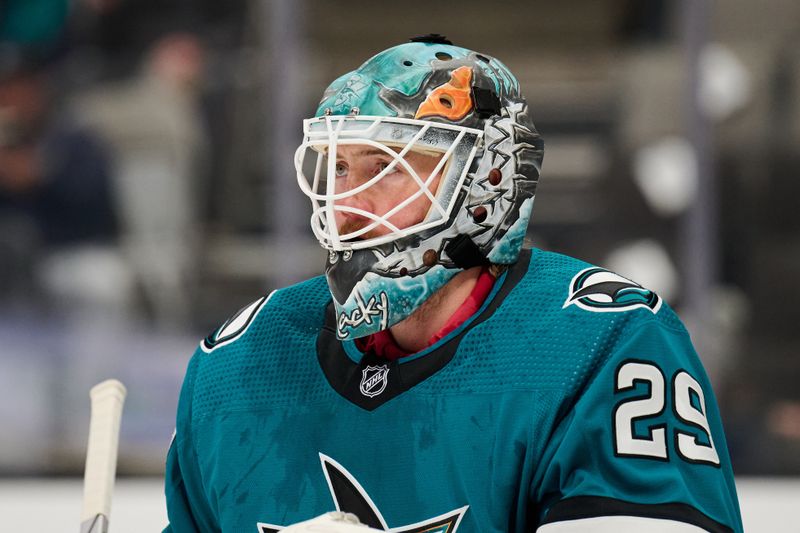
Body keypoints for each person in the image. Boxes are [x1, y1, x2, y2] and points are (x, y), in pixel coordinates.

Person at [164, 35, 743, 533]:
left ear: (487, 181)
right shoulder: (238, 363)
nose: (348, 203)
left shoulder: (605, 344)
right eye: (339, 166)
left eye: (387, 168)